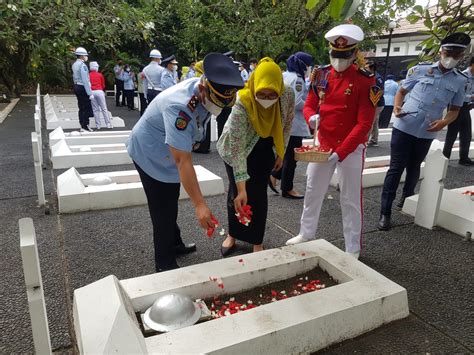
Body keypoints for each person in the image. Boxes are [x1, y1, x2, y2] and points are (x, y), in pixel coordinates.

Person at [126, 53, 244, 272]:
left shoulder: (205, 91)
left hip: (167, 151)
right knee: (162, 209)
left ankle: (176, 244)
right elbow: (182, 161)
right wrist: (200, 204)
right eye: (215, 103)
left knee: (170, 199)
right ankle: (164, 263)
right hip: (148, 153)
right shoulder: (179, 107)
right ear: (203, 89)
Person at [285, 24, 376, 260]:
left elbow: (364, 123)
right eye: (335, 54)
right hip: (323, 144)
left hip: (351, 147)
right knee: (313, 190)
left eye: (344, 55)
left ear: (354, 53)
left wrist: (343, 151)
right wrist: (311, 117)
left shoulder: (366, 81)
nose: (339, 60)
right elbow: (308, 104)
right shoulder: (321, 75)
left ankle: (352, 246)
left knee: (350, 198)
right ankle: (306, 232)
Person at [378, 32, 471, 231]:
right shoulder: (420, 70)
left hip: (428, 131)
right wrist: (396, 107)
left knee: (414, 168)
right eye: (448, 52)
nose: (451, 58)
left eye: (456, 55)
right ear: (440, 51)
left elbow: (455, 110)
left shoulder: (460, 81)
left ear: (461, 57)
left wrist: (444, 122)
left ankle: (407, 198)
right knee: (396, 168)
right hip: (405, 126)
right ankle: (385, 212)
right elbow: (402, 91)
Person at [217, 57, 295, 256]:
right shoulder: (242, 101)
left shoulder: (287, 94)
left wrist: (281, 151)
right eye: (262, 93)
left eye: (272, 95)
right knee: (237, 193)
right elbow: (237, 149)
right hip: (237, 147)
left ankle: (256, 240)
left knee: (258, 194)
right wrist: (241, 186)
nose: (267, 99)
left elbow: (286, 124)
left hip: (266, 145)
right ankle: (233, 234)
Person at [269, 51, 314, 199]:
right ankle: (287, 189)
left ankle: (274, 176)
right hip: (294, 124)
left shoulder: (285, 75)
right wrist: (313, 105)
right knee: (291, 159)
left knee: (284, 154)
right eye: (308, 65)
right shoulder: (298, 79)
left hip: (284, 122)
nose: (309, 68)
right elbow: (296, 102)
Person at [443, 55, 474, 165]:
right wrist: (471, 97)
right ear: (472, 64)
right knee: (452, 134)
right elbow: (456, 94)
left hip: (466, 107)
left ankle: (464, 158)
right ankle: (445, 158)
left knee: (466, 134)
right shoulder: (462, 76)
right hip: (455, 107)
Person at [72, 46, 94, 132]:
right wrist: (90, 93)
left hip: (77, 86)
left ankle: (82, 125)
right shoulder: (82, 65)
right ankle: (85, 125)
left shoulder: (74, 64)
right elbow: (85, 80)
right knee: (86, 106)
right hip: (82, 87)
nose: (86, 57)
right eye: (85, 55)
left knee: (81, 107)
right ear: (81, 56)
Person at [366, 61, 385, 146]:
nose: (365, 69)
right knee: (374, 121)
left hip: (377, 104)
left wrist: (373, 103)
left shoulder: (377, 78)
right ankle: (374, 139)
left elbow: (380, 92)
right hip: (375, 103)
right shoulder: (371, 76)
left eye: (367, 67)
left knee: (370, 121)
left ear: (372, 68)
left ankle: (365, 141)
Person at [89, 61, 112, 129]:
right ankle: (108, 124)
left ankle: (98, 125)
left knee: (95, 109)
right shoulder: (100, 75)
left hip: (92, 92)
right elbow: (103, 85)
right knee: (104, 108)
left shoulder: (88, 75)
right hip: (99, 91)